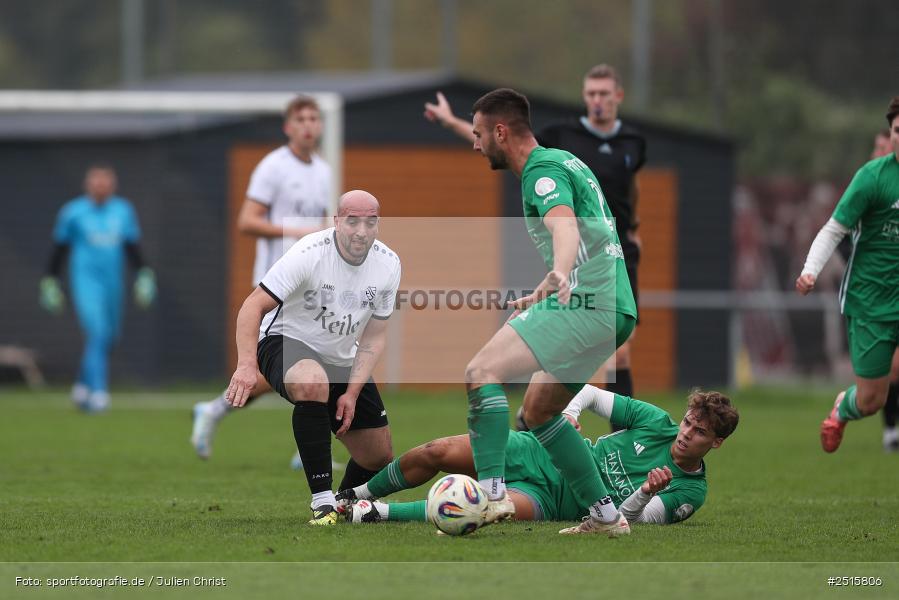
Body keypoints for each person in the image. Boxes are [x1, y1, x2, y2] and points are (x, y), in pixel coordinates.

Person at [426, 88, 638, 536]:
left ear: (501, 132)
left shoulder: (541, 173)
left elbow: (564, 225)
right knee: (540, 411)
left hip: (586, 303)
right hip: (616, 309)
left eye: (479, 134)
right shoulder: (563, 159)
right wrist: (551, 283)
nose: (475, 144)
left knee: (481, 371)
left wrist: (559, 272)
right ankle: (606, 517)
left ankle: (492, 495)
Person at [225, 190, 401, 525]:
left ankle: (345, 503)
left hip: (341, 356)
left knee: (377, 455)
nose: (361, 231)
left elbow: (374, 336)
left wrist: (352, 392)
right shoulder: (309, 252)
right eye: (352, 221)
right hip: (284, 340)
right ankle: (322, 501)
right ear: (336, 222)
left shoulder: (389, 264)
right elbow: (253, 306)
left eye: (370, 222)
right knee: (312, 381)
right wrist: (246, 365)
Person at [340, 387, 738, 527]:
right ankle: (355, 494)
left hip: (559, 501)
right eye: (688, 423)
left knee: (482, 507)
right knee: (437, 451)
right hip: (542, 453)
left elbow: (629, 520)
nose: (686, 434)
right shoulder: (656, 422)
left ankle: (372, 514)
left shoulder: (691, 491)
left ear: (716, 443)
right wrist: (570, 413)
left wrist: (645, 493)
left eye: (700, 433)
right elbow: (589, 392)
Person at [191, 95, 331, 465]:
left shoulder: (323, 170)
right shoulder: (273, 166)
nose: (308, 125)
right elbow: (246, 220)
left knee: (316, 361)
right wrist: (296, 231)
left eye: (313, 119)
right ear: (288, 126)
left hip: (311, 285)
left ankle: (216, 411)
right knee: (288, 366)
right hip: (276, 285)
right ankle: (218, 411)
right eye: (300, 119)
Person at [796, 97, 899, 453]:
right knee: (871, 400)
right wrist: (810, 271)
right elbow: (833, 229)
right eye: (897, 131)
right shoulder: (872, 178)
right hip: (871, 301)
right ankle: (844, 407)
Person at [40, 164, 156, 412]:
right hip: (86, 282)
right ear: (88, 185)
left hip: (112, 283)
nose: (101, 187)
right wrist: (50, 281)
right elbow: (59, 248)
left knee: (110, 337)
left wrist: (144, 274)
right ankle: (99, 392)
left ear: (113, 186)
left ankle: (82, 385)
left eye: (105, 183)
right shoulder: (73, 212)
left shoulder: (123, 211)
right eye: (96, 183)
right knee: (98, 332)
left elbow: (131, 246)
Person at [869, 129, 899, 451]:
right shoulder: (867, 186)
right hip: (877, 296)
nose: (878, 152)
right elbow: (841, 233)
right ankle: (891, 429)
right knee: (890, 370)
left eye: (882, 147)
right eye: (875, 147)